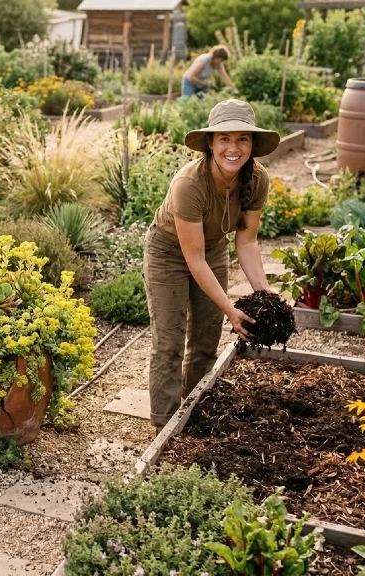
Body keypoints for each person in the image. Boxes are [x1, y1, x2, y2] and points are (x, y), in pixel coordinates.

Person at [144, 99, 280, 431]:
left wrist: (266, 295)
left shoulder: (257, 179)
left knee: (206, 337)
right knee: (170, 340)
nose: (234, 148)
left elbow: (246, 242)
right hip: (169, 254)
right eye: (225, 139)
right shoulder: (189, 183)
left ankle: (193, 411)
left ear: (252, 144)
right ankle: (164, 425)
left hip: (213, 248)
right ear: (210, 143)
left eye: (243, 139)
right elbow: (193, 258)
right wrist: (232, 309)